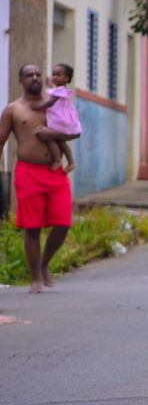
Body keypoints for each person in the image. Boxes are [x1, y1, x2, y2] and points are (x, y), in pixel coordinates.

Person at [0, 65, 74, 293]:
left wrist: (51, 134)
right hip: (28, 173)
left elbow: (73, 130)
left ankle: (44, 264)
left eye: (37, 74)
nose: (35, 78)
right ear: (20, 80)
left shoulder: (56, 101)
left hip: (55, 172)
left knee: (62, 224)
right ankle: (35, 277)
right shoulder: (13, 110)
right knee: (32, 228)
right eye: (29, 75)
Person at [31, 63, 81, 173]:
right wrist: (50, 85)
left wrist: (37, 106)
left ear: (66, 78)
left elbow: (50, 102)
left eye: (58, 75)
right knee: (60, 141)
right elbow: (54, 92)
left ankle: (58, 160)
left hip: (60, 120)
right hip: (61, 120)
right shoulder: (59, 90)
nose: (54, 77)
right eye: (53, 74)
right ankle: (71, 162)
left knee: (49, 137)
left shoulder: (61, 91)